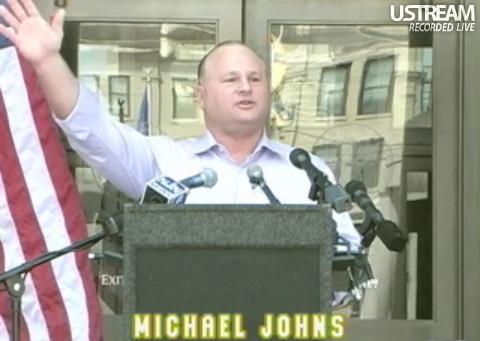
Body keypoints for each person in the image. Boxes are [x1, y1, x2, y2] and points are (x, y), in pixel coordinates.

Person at [0, 0, 361, 248]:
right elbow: (91, 131)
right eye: (231, 79)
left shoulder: (306, 169)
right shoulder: (166, 163)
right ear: (200, 96)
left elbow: (347, 251)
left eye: (256, 78)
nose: (246, 87)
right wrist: (47, 62)